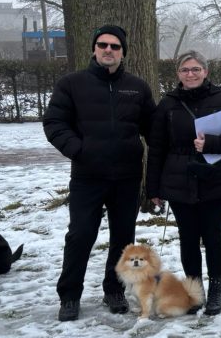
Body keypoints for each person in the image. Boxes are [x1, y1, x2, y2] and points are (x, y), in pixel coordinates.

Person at [43, 24, 156, 322]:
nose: (108, 50)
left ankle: (114, 290)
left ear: (122, 53)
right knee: (80, 235)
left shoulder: (137, 87)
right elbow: (54, 123)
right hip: (87, 176)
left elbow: (154, 129)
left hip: (127, 177)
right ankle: (69, 295)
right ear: (94, 49)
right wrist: (79, 150)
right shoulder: (72, 84)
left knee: (123, 238)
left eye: (115, 46)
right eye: (103, 45)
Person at [146, 52, 221, 316]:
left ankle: (215, 291)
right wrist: (153, 188)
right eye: (185, 70)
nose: (190, 74)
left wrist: (211, 143)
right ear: (178, 74)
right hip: (178, 178)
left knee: (213, 236)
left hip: (214, 177)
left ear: (205, 71)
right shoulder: (168, 104)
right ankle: (194, 291)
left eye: (195, 69)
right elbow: (156, 147)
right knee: (188, 238)